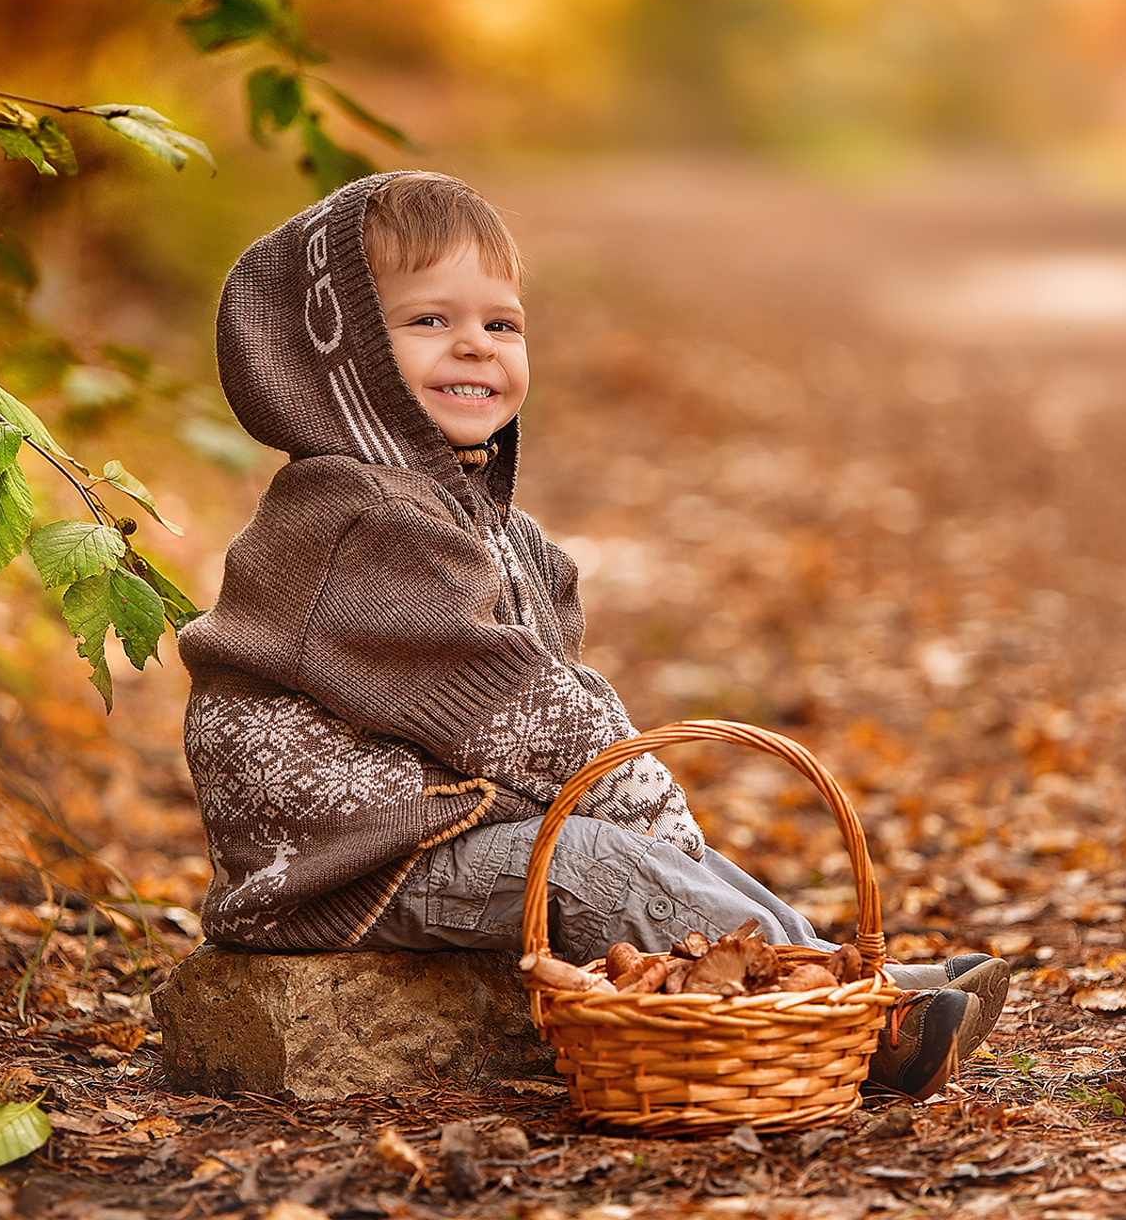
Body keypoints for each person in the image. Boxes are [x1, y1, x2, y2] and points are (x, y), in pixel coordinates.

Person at [178, 170, 1008, 1102]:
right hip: (343, 859)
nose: (474, 348)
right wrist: (634, 787)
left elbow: (552, 682)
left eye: (500, 324)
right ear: (349, 362)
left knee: (648, 856)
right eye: (427, 323)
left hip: (437, 817)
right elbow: (507, 708)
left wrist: (642, 809)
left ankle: (833, 978)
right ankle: (851, 1016)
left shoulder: (481, 524)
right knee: (595, 862)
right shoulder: (356, 516)